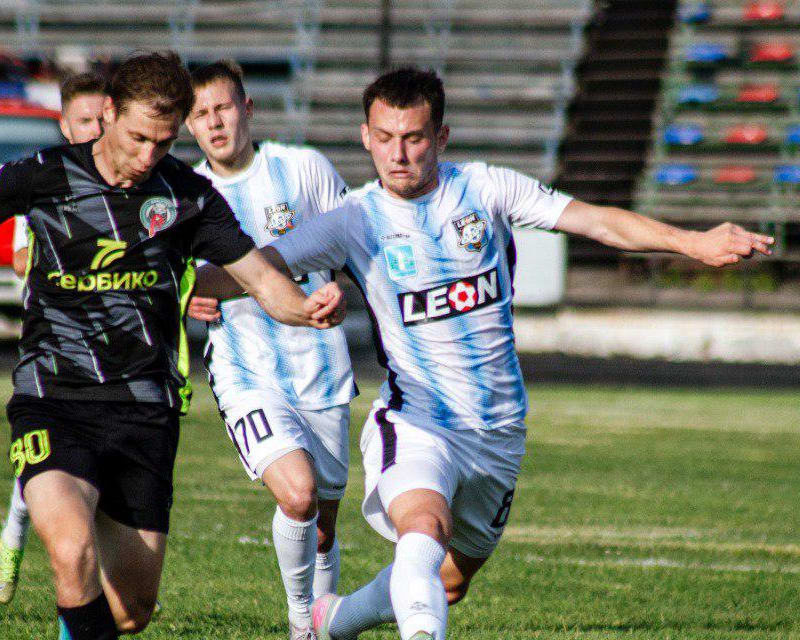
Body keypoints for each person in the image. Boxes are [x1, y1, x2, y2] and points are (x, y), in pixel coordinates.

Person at [192, 66, 774, 640]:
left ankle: (335, 621)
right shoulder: (353, 219)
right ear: (366, 137)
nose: (398, 154)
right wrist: (179, 285)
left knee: (449, 582)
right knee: (423, 529)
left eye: (414, 138)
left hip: (499, 428)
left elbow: (597, 222)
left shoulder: (487, 188)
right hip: (417, 419)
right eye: (385, 138)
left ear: (440, 137)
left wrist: (691, 241)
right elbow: (256, 268)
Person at [0, 51, 344, 640]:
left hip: (144, 411)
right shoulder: (46, 175)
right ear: (109, 113)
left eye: (162, 144)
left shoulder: (188, 196)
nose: (146, 157)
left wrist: (307, 310)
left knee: (131, 611)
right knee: (71, 548)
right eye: (137, 138)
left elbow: (261, 280)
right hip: (54, 399)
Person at [185, 60, 355, 640]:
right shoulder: (183, 194)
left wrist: (340, 291)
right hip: (245, 371)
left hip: (321, 368)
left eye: (223, 108)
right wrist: (188, 299)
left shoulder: (303, 169)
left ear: (248, 109)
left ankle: (324, 622)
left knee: (323, 524)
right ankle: (300, 621)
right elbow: (170, 278)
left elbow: (352, 243)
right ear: (188, 125)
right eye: (200, 114)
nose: (214, 123)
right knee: (298, 494)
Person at [0, 70, 107, 605]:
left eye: (103, 119)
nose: (95, 130)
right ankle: (13, 534)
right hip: (55, 347)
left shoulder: (133, 186)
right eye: (84, 121)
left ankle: (115, 574)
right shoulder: (45, 180)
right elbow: (21, 257)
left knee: (105, 468)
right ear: (66, 127)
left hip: (120, 354)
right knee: (48, 461)